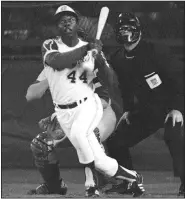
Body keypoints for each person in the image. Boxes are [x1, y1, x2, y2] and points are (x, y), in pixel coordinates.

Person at [26, 5, 145, 197]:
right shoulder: (52, 47)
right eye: (62, 21)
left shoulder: (91, 53)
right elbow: (35, 89)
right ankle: (132, 178)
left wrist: (98, 59)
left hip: (94, 107)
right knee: (95, 158)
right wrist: (53, 78)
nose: (69, 27)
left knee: (84, 135)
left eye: (72, 21)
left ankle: (92, 185)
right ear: (57, 27)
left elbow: (110, 84)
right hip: (65, 112)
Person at [105, 12, 184, 196]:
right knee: (116, 140)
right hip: (147, 110)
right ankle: (128, 182)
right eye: (121, 29)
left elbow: (179, 79)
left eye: (128, 28)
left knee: (174, 137)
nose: (125, 32)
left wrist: (178, 108)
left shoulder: (156, 51)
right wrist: (128, 110)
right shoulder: (117, 58)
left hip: (170, 105)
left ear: (138, 30)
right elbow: (125, 86)